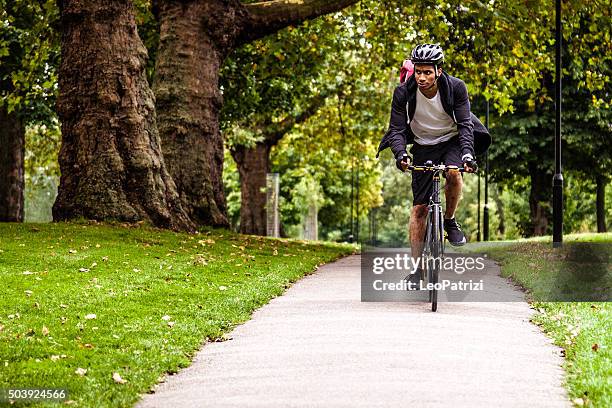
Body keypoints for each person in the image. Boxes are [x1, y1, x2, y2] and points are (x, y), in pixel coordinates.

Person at [376, 44, 491, 283]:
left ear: (438, 71)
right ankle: (418, 270)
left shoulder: (456, 88)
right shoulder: (403, 93)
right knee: (419, 210)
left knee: (453, 174)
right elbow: (396, 129)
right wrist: (400, 154)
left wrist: (468, 154)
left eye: (427, 72)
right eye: (418, 71)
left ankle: (449, 220)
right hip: (422, 145)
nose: (422, 77)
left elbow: (465, 124)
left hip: (452, 140)